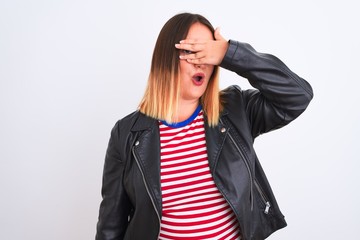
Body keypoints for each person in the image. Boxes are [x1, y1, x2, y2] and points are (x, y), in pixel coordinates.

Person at [95, 12, 313, 240]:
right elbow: (111, 227)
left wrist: (231, 52)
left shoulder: (237, 111)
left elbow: (298, 96)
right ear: (166, 58)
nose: (201, 62)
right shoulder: (126, 134)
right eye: (191, 51)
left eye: (208, 53)